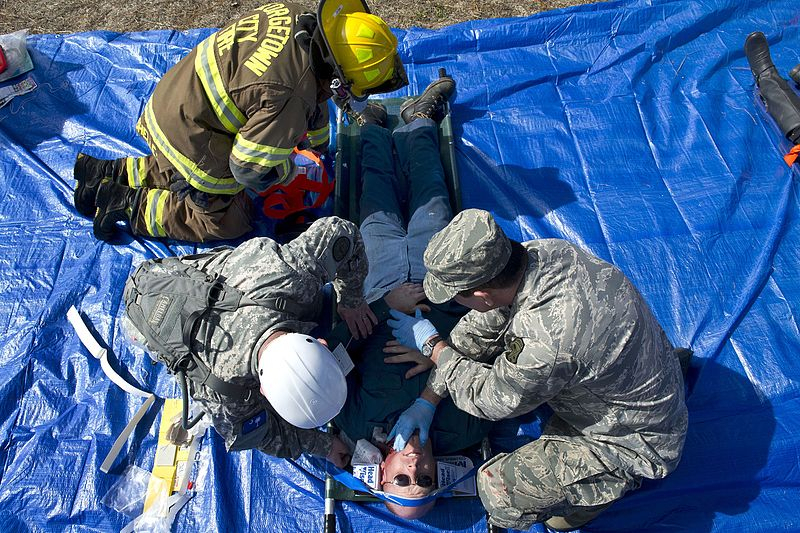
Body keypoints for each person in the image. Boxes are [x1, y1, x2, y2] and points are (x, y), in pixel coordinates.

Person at [387, 209, 690, 531]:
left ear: (480, 293)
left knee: (498, 488)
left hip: (632, 439)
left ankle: (592, 498)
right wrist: (432, 389)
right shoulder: (546, 252)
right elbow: (490, 319)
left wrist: (435, 347)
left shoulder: (547, 341)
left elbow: (491, 400)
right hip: (638, 374)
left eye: (457, 297)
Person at [73, 0, 406, 243]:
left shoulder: (296, 17)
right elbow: (246, 169)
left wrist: (316, 148)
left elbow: (311, 97)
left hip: (175, 100)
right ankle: (126, 204)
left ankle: (103, 173)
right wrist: (287, 171)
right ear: (337, 78)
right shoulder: (290, 96)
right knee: (229, 219)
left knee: (180, 167)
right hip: (191, 133)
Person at [327, 73, 492, 520]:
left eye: (403, 480)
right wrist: (442, 354)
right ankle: (419, 119)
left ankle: (374, 125)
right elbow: (497, 360)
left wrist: (385, 306)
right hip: (441, 283)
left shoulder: (356, 423)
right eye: (427, 480)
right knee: (430, 191)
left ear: (381, 473)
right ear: (442, 473)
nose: (415, 469)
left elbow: (331, 352)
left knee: (375, 196)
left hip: (378, 280)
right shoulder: (464, 427)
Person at [122, 214, 380, 467]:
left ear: (322, 343)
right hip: (146, 302)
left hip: (203, 277)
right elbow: (263, 434)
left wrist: (351, 300)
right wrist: (322, 445)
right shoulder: (222, 390)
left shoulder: (289, 277)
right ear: (262, 392)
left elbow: (340, 231)